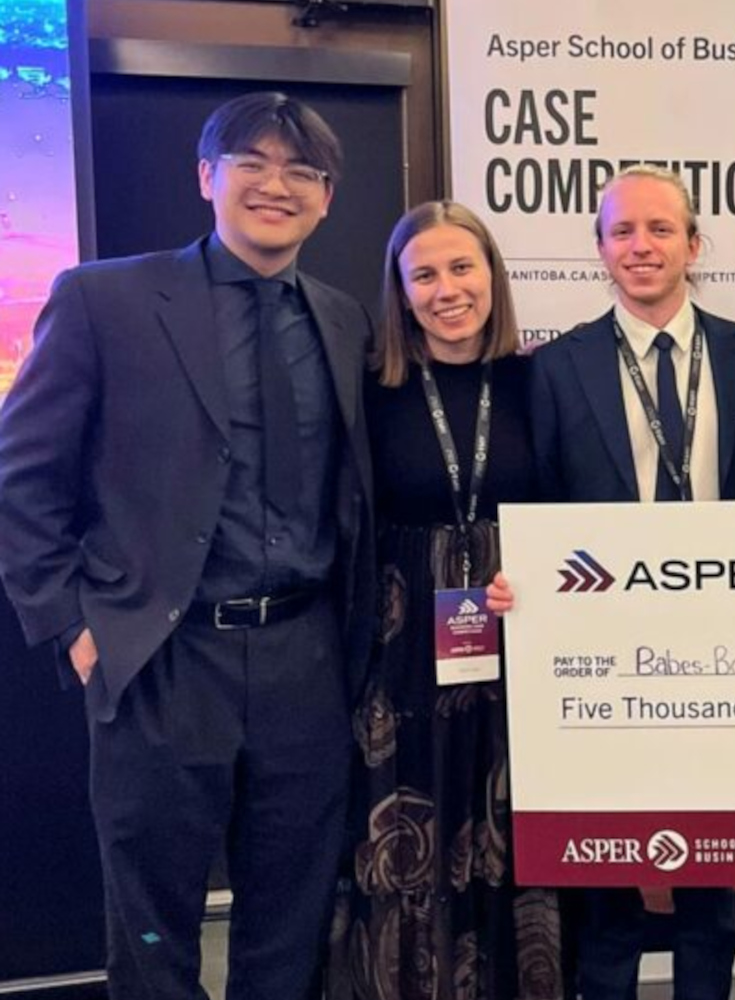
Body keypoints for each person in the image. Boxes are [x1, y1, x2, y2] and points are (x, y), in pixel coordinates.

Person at [0, 92, 375, 998]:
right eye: (252, 163)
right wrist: (72, 626)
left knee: (291, 919)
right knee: (153, 926)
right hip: (163, 657)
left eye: (302, 171)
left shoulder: (344, 319)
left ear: (327, 198)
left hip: (305, 659)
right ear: (206, 175)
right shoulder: (104, 299)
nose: (276, 185)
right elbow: (21, 477)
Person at [489, 164, 735, 1000]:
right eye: (621, 232)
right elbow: (535, 504)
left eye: (660, 229)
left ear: (694, 244)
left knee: (711, 874)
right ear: (600, 249)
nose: (641, 246)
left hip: (726, 648)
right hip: (603, 654)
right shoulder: (554, 367)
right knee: (607, 879)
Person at [330, 201, 562, 1000]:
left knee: (507, 831)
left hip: (514, 643)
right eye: (423, 274)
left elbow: (568, 512)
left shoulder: (538, 382)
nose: (447, 289)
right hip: (400, 657)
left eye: (463, 267)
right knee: (406, 839)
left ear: (492, 275)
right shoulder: (369, 389)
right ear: (399, 290)